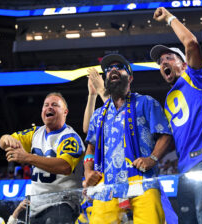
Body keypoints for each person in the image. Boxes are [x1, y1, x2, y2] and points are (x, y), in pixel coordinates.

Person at [84, 53, 172, 223]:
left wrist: (152, 158)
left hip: (142, 180)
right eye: (109, 69)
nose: (113, 70)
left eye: (120, 67)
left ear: (130, 78)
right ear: (106, 78)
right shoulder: (98, 115)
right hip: (106, 184)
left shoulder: (146, 102)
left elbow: (165, 135)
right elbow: (91, 147)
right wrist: (88, 172)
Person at [150, 7, 202, 224]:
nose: (164, 64)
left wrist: (169, 18)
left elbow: (190, 43)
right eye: (160, 63)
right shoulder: (168, 100)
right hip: (185, 169)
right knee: (187, 221)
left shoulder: (195, 77)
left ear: (184, 63)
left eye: (169, 58)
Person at [0, 92, 85, 223]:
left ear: (65, 112)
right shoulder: (35, 133)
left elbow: (64, 166)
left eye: (55, 105)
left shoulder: (70, 137)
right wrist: (6, 138)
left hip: (62, 204)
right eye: (46, 105)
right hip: (36, 205)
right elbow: (4, 142)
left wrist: (27, 157)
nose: (49, 107)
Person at [83, 67, 108, 134]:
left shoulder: (136, 101)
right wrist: (92, 95)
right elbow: (87, 129)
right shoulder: (104, 109)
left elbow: (119, 115)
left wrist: (101, 89)